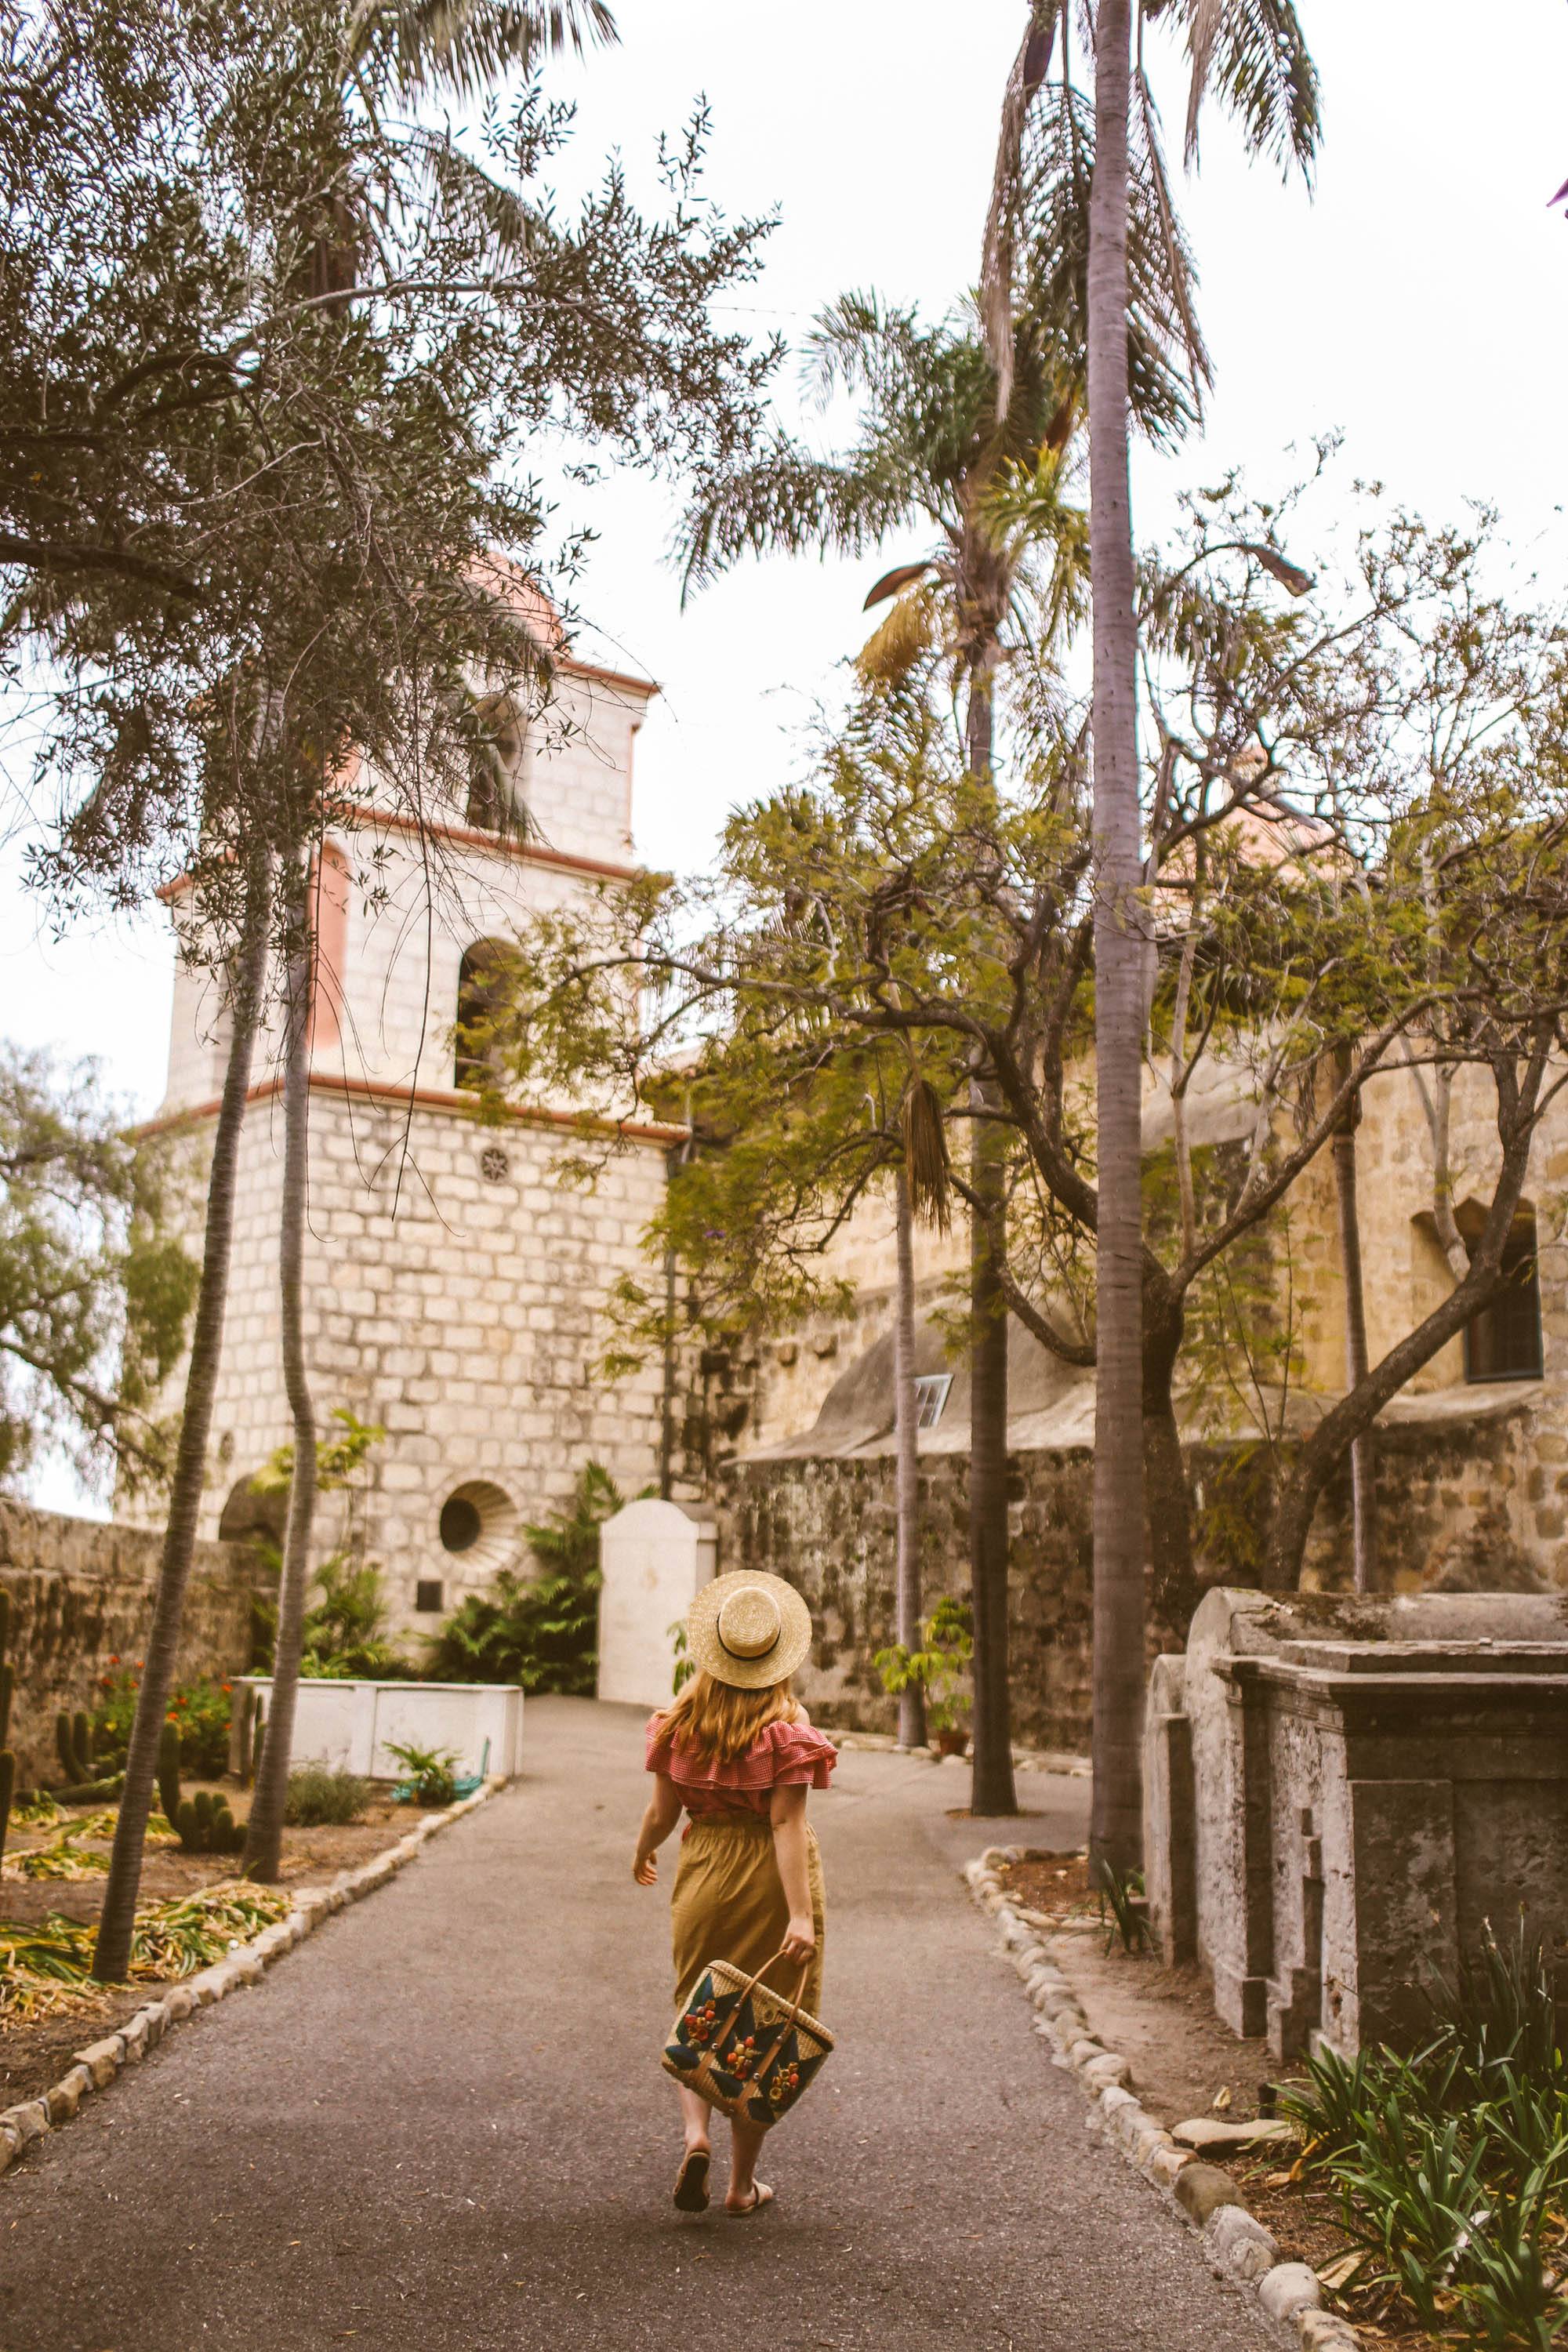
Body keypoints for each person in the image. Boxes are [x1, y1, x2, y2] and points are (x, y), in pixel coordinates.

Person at [633, 1569, 837, 2217]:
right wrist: (800, 1916)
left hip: (704, 1868)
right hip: (769, 1879)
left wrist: (642, 1850)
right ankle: (741, 2186)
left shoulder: (677, 1723)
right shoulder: (787, 1726)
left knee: (701, 2005)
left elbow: (662, 1814)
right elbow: (785, 1823)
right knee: (766, 2024)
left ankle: (695, 2136)